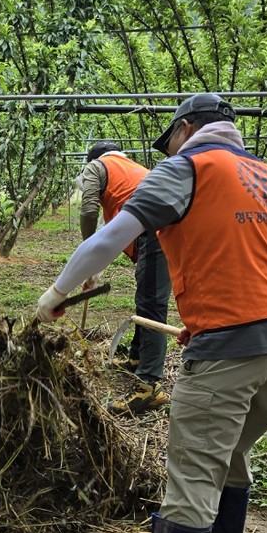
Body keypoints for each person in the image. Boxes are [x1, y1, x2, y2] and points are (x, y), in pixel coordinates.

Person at [38, 93, 267, 533]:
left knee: (193, 470)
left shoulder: (186, 167)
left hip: (232, 345)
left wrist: (55, 295)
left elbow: (113, 236)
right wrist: (213, 316)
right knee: (232, 451)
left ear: (185, 129)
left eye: (172, 138)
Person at [77, 140, 173, 414]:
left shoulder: (98, 166)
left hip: (155, 235)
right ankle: (137, 359)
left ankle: (149, 386)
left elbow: (88, 210)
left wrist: (88, 252)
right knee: (146, 299)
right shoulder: (134, 170)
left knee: (152, 307)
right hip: (158, 234)